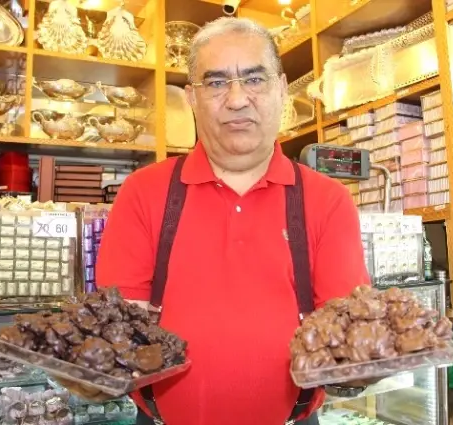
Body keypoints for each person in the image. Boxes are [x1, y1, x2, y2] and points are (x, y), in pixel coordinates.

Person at [96, 16, 369, 425]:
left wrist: (367, 365)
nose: (237, 99)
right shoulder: (143, 192)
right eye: (217, 82)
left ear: (281, 88)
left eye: (254, 79)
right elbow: (117, 330)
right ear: (192, 97)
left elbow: (347, 335)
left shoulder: (328, 200)